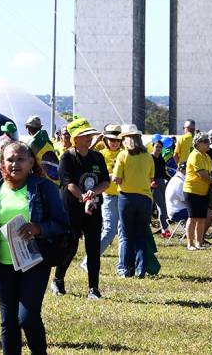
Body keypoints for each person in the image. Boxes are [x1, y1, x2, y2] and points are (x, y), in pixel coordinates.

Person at [0, 140, 70, 354]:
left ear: (31, 162)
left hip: (34, 262)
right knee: (8, 321)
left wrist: (39, 228)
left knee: (27, 318)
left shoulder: (44, 188)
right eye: (10, 159)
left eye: (21, 159)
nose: (15, 164)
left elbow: (63, 225)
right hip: (2, 265)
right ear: (1, 163)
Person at [52, 119, 109, 299]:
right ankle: (58, 279)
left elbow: (105, 181)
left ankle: (94, 288)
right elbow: (68, 183)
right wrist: (83, 196)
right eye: (85, 135)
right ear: (76, 139)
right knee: (70, 246)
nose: (89, 138)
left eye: (89, 135)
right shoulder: (67, 157)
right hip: (71, 209)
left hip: (93, 208)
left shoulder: (97, 157)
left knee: (93, 247)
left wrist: (93, 194)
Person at [111, 125, 154, 278]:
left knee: (127, 235)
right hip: (144, 198)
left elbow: (117, 179)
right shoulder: (148, 156)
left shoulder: (123, 156)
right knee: (141, 235)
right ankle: (141, 270)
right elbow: (150, 178)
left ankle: (127, 269)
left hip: (126, 198)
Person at [85, 125, 123, 275]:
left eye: (117, 140)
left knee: (122, 232)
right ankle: (88, 261)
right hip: (108, 196)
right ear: (105, 140)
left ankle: (123, 265)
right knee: (109, 231)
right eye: (111, 139)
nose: (114, 143)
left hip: (123, 196)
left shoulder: (123, 153)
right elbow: (87, 154)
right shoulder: (100, 154)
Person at [183, 133, 212, 250]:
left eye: (208, 141)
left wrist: (211, 180)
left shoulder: (206, 156)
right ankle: (190, 244)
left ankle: (199, 243)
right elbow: (202, 174)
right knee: (193, 218)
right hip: (192, 191)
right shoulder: (195, 155)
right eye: (205, 141)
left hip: (203, 191)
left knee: (201, 218)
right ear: (198, 143)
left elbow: (209, 173)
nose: (207, 143)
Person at [23, 116, 59, 183]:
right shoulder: (48, 141)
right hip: (55, 180)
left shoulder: (31, 144)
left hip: (42, 181)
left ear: (28, 128)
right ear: (40, 128)